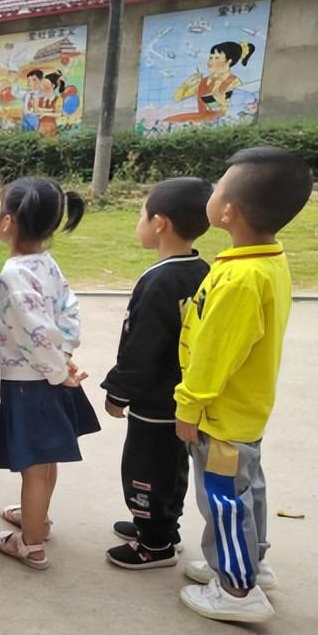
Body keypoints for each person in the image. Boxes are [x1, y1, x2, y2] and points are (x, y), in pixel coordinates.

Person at [175, 147, 313, 623]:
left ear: (227, 212)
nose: (211, 193)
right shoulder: (266, 260)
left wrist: (188, 407)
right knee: (246, 488)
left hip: (220, 415)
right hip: (245, 412)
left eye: (218, 188)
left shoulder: (238, 279)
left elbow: (215, 355)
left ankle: (236, 589)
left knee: (223, 498)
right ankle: (251, 562)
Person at [0, 176, 100, 570]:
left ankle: (31, 542)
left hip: (30, 385)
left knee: (34, 466)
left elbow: (33, 334)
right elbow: (69, 310)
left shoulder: (14, 275)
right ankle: (39, 518)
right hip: (50, 377)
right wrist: (64, 356)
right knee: (46, 460)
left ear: (8, 222)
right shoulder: (45, 263)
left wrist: (57, 368)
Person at [101, 177, 212, 570]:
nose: (139, 223)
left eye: (141, 215)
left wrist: (118, 391)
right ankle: (161, 525)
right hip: (181, 399)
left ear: (160, 223)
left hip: (153, 400)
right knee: (171, 466)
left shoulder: (158, 281)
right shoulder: (203, 270)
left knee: (144, 470)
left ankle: (155, 543)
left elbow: (141, 347)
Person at [167, 41, 256, 126]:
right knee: (169, 121)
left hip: (220, 121)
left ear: (229, 61)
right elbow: (177, 97)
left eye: (217, 58)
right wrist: (188, 81)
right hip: (203, 119)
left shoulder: (234, 82)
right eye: (211, 57)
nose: (211, 61)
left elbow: (234, 108)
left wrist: (220, 101)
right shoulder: (204, 81)